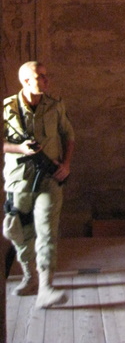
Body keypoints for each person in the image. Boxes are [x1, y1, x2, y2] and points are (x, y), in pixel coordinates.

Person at [3, 61, 74, 307]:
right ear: (25, 81)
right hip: (19, 180)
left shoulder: (55, 105)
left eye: (46, 75)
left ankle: (46, 286)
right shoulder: (8, 108)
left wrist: (66, 164)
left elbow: (69, 135)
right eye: (40, 76)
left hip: (49, 179)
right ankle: (30, 276)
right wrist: (19, 148)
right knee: (19, 230)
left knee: (47, 231)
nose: (46, 80)